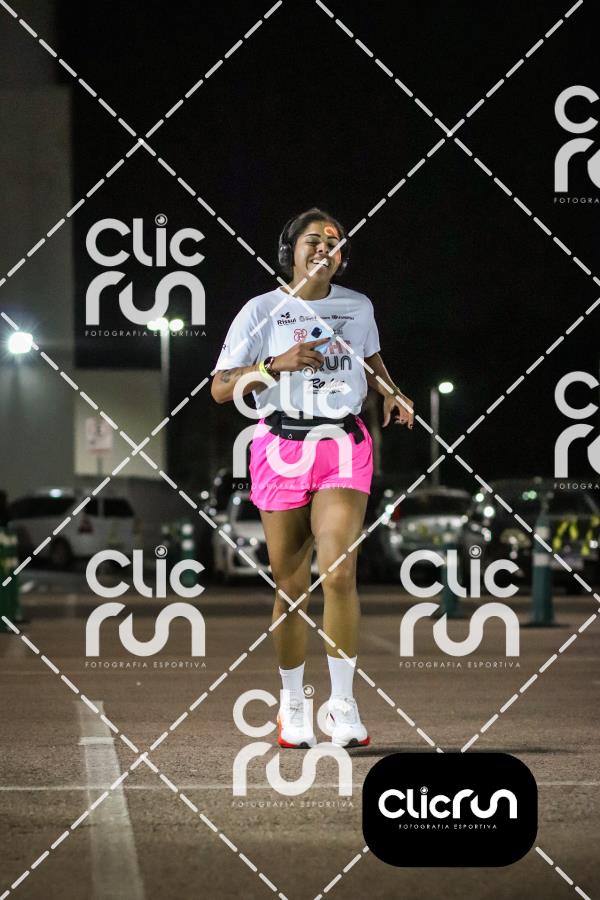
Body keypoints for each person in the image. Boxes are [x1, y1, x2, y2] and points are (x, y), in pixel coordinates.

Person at [211, 207, 413, 748]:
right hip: (280, 446)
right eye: (313, 239)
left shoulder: (358, 306)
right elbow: (221, 388)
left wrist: (391, 391)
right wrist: (273, 365)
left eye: (334, 241)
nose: (325, 247)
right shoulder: (261, 311)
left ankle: (342, 705)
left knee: (340, 571)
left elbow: (369, 360)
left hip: (342, 444)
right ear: (290, 251)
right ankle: (293, 704)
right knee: (292, 587)